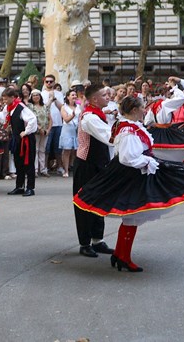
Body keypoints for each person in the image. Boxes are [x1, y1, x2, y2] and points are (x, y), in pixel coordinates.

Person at [73, 96, 184, 272]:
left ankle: (121, 255)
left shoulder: (130, 126)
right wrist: (147, 162)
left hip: (132, 173)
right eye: (142, 108)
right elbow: (127, 157)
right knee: (132, 217)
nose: (145, 110)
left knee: (131, 219)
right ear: (135, 110)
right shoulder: (129, 130)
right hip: (131, 174)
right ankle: (124, 257)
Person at [70, 84, 114, 258]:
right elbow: (109, 137)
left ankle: (97, 240)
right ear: (95, 99)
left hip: (99, 163)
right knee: (85, 203)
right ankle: (85, 243)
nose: (108, 96)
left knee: (99, 201)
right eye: (104, 94)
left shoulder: (98, 114)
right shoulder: (90, 117)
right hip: (86, 164)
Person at [0, 88, 38, 196]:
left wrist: (26, 131)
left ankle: (30, 187)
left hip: (26, 140)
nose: (4, 101)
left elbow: (32, 119)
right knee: (18, 163)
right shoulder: (9, 107)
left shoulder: (21, 107)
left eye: (5, 99)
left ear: (12, 98)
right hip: (17, 139)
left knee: (28, 163)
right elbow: (3, 115)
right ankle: (19, 186)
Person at [28, 90, 50, 177]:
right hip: (36, 131)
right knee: (35, 150)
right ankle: (35, 170)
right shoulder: (30, 106)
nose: (36, 97)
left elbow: (50, 118)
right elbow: (31, 119)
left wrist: (48, 129)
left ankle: (43, 169)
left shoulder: (45, 106)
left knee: (42, 150)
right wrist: (39, 128)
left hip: (45, 131)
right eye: (34, 95)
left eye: (37, 95)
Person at [59, 89, 80, 178]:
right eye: (72, 95)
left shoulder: (78, 106)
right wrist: (73, 115)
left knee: (75, 151)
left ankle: (74, 168)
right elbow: (66, 119)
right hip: (67, 129)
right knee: (67, 151)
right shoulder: (64, 107)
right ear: (68, 97)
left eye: (75, 95)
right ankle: (66, 170)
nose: (74, 96)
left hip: (77, 130)